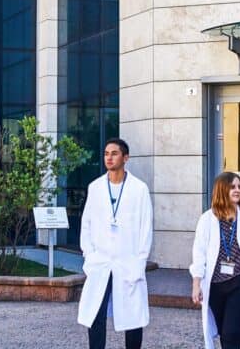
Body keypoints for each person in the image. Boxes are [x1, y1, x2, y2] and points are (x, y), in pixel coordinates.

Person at [77, 138, 153, 349]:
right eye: (106, 154)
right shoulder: (96, 187)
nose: (109, 157)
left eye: (114, 153)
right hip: (100, 261)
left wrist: (140, 261)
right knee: (95, 314)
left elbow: (145, 228)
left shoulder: (139, 189)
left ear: (125, 158)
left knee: (133, 316)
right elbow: (87, 224)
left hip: (128, 262)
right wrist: (89, 255)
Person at [190, 172, 240, 349]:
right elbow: (199, 253)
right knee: (225, 333)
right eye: (232, 186)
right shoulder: (207, 219)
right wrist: (196, 283)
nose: (237, 190)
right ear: (222, 189)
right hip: (215, 286)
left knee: (233, 332)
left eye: (239, 187)